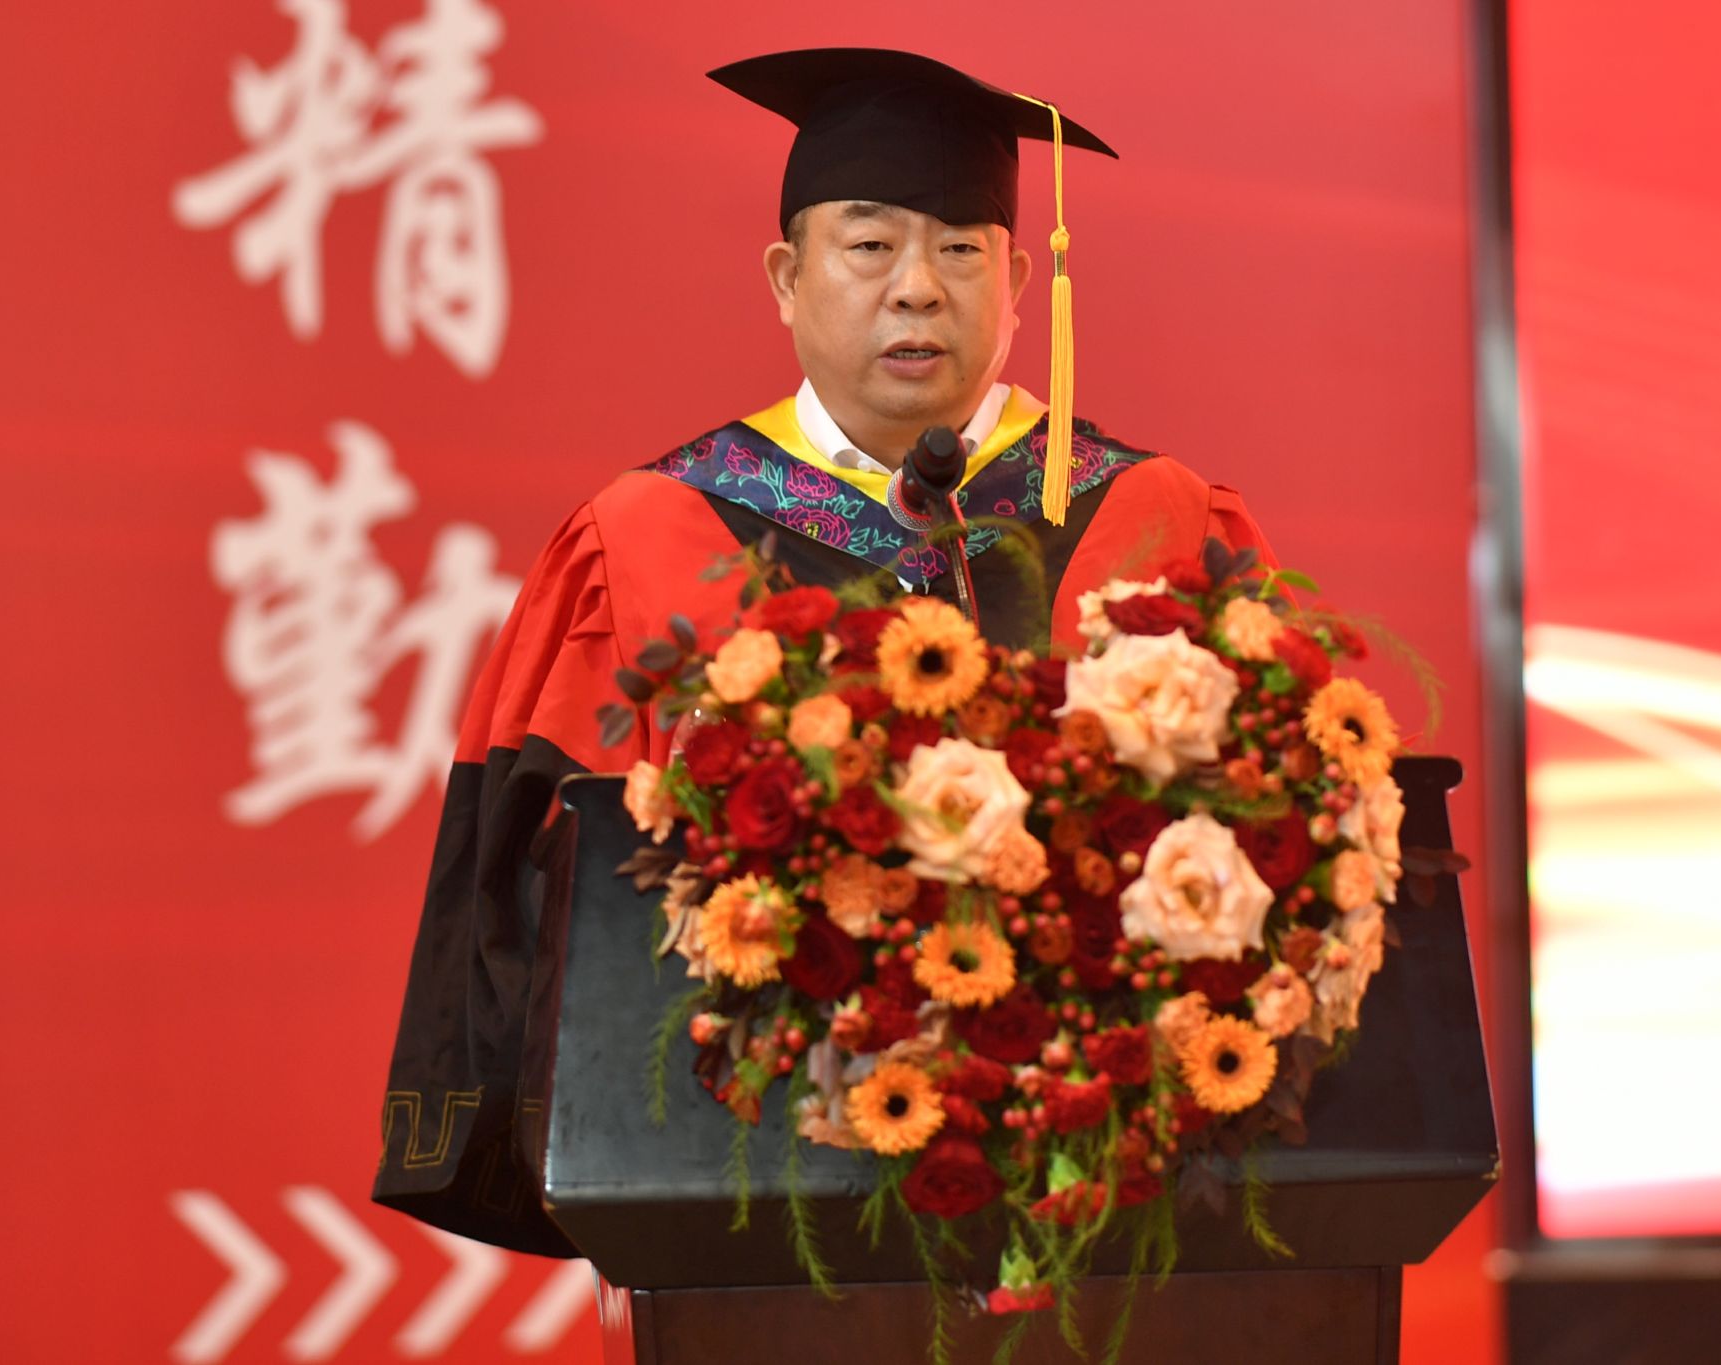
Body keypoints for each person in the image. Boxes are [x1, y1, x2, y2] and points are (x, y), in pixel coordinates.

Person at [371, 47, 1288, 1255]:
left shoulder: (1150, 517)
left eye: (959, 249)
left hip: (1112, 1201)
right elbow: (542, 893)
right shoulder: (647, 537)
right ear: (785, 277)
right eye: (868, 245)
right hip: (738, 1190)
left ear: (1018, 283)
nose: (917, 289)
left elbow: (1284, 832)